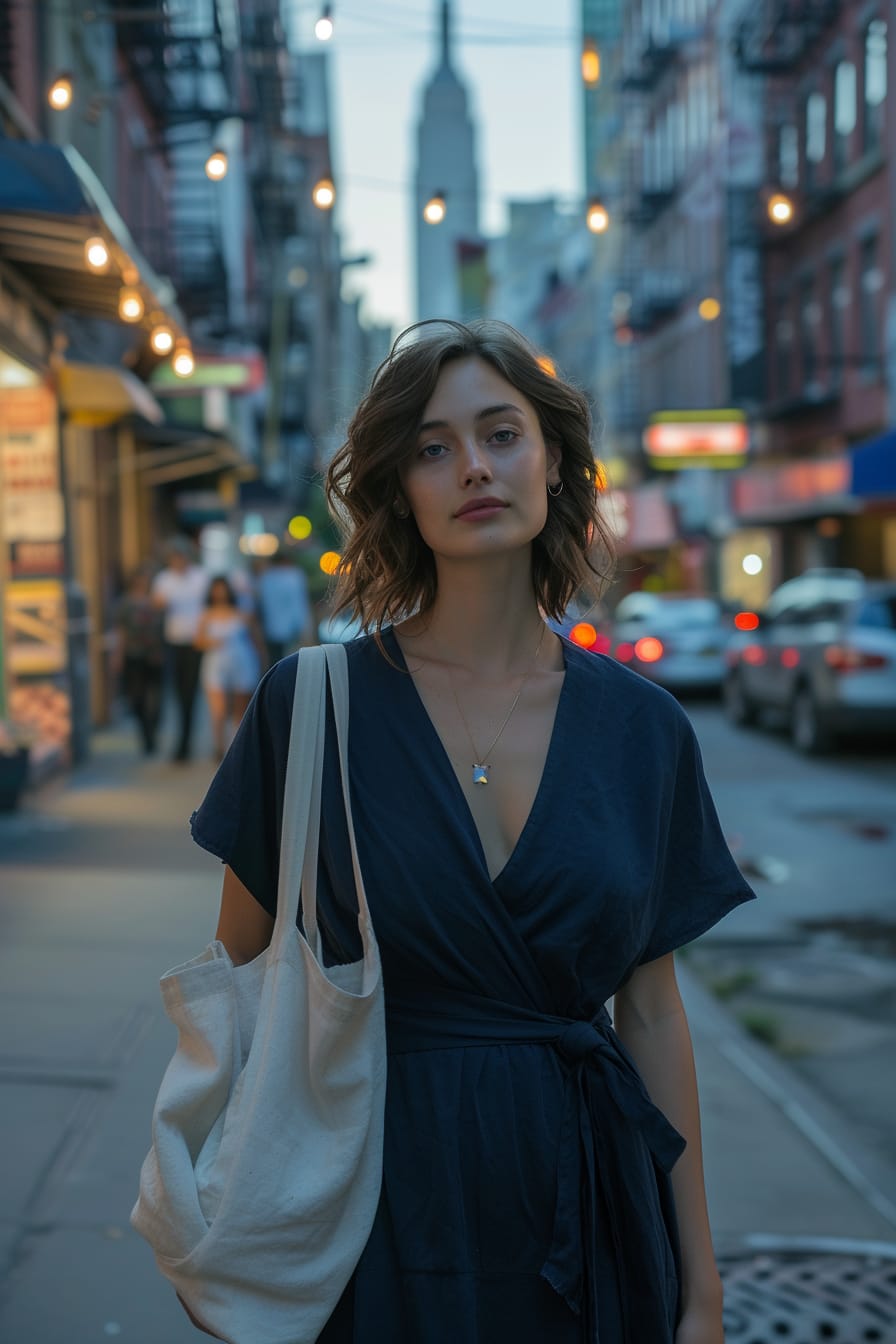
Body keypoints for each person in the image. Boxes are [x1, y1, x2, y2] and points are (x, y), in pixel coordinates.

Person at [188, 320, 756, 1344]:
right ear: (396, 488)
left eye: (500, 434)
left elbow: (653, 1016)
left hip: (586, 1201)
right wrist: (211, 1204)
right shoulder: (311, 706)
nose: (472, 469)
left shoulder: (643, 730)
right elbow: (235, 974)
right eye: (432, 448)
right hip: (368, 1197)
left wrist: (699, 1289)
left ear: (553, 463)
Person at [194, 574, 265, 761]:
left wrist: (262, 662)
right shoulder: (207, 614)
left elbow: (256, 639)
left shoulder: (242, 613)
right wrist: (212, 642)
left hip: (242, 660)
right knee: (218, 708)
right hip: (216, 662)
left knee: (240, 708)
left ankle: (237, 746)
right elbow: (198, 640)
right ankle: (218, 746)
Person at [150, 539, 208, 762]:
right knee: (176, 691)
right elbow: (156, 605)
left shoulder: (199, 577)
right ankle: (182, 740)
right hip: (173, 641)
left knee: (190, 692)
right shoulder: (164, 579)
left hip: (195, 641)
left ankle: (185, 742)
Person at [110, 567, 165, 755]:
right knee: (136, 697)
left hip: (154, 654)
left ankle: (153, 728)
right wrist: (117, 655)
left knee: (156, 696)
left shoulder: (157, 601)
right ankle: (146, 733)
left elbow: (164, 627)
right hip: (133, 654)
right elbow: (121, 631)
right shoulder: (125, 604)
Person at [255, 549, 312, 665]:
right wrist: (304, 627)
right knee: (292, 663)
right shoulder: (294, 576)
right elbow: (298, 604)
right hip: (291, 629)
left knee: (275, 662)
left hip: (270, 629)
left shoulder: (266, 577)